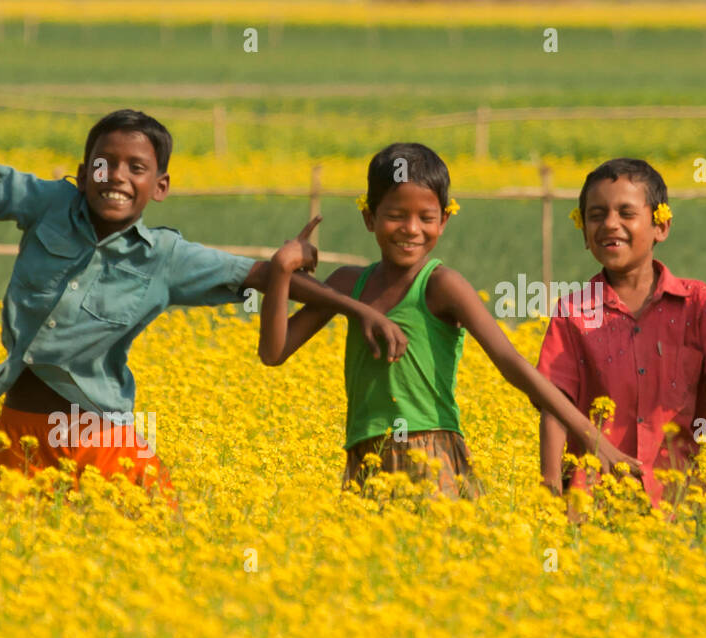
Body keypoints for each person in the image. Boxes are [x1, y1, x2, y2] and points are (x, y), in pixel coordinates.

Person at [0, 109, 405, 498]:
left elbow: (261, 276)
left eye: (136, 168)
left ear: (160, 186)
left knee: (150, 546)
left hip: (99, 438)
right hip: (18, 431)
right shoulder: (50, 204)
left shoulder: (166, 258)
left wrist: (358, 309)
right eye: (103, 164)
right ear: (83, 174)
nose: (116, 176)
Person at [259, 142, 640, 499]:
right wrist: (280, 270)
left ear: (443, 220)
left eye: (426, 218)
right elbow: (273, 353)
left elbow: (511, 362)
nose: (411, 229)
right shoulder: (347, 284)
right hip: (364, 454)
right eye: (395, 216)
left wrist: (593, 439)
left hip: (431, 453)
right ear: (369, 218)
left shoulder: (442, 286)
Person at [537, 158, 706, 505]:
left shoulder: (697, 304)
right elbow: (554, 405)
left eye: (626, 213)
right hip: (592, 503)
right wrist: (548, 494)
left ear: (661, 226)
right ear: (584, 231)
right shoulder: (572, 312)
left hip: (678, 504)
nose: (610, 224)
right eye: (596, 215)